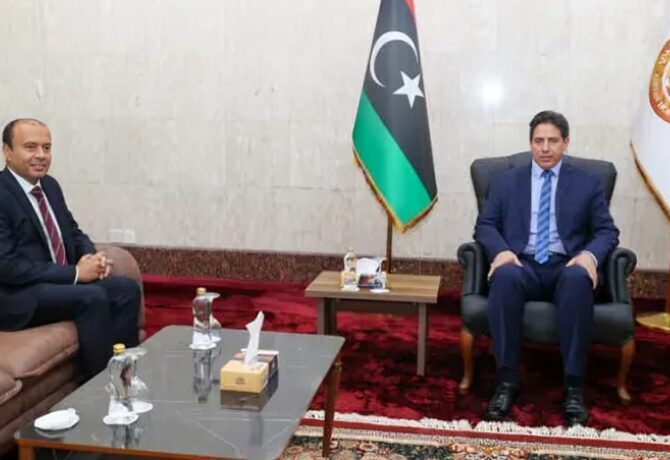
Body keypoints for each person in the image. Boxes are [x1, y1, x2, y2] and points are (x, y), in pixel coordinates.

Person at [474, 110, 619, 426]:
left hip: (566, 264)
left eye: (553, 141)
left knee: (578, 280)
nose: (545, 148)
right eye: (538, 141)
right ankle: (506, 382)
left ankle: (574, 388)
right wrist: (501, 252)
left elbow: (607, 231)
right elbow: (485, 225)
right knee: (505, 277)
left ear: (566, 143)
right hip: (521, 262)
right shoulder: (506, 182)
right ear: (530, 143)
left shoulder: (587, 184)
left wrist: (588, 256)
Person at [0, 118, 140, 378]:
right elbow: (6, 266)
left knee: (126, 290)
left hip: (56, 285)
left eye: (47, 147)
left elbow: (72, 232)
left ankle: (125, 376)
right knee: (91, 297)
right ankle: (99, 387)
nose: (41, 155)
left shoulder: (50, 186)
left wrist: (91, 256)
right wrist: (75, 274)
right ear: (7, 151)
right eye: (31, 147)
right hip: (18, 296)